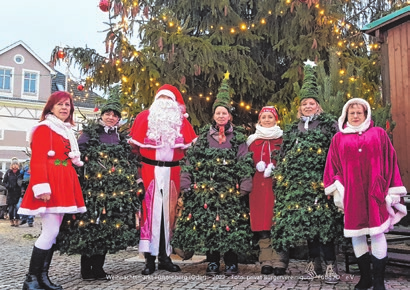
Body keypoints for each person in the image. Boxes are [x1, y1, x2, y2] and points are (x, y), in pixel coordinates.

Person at [173, 73, 254, 276]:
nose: (221, 116)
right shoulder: (203, 138)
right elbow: (190, 161)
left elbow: (244, 160)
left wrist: (245, 185)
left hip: (230, 191)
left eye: (224, 113)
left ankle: (232, 262)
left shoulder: (238, 138)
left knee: (230, 226)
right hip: (207, 191)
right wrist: (186, 183)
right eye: (218, 113)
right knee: (211, 226)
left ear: (229, 117)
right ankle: (212, 262)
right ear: (213, 115)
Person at [324, 98, 407, 290]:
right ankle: (365, 278)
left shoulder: (379, 134)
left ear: (366, 114)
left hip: (375, 191)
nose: (355, 116)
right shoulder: (338, 138)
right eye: (351, 113)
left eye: (358, 113)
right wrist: (337, 187)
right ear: (346, 115)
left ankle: (378, 281)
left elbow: (390, 160)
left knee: (377, 233)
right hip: (352, 194)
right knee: (357, 234)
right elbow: (332, 166)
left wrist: (392, 189)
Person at [271, 61, 343, 284]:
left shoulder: (328, 124)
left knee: (325, 224)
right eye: (304, 104)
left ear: (317, 105)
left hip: (323, 183)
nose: (308, 107)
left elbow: (337, 150)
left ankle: (331, 264)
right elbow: (284, 153)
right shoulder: (294, 128)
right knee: (309, 225)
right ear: (300, 107)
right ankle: (314, 264)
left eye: (311, 103)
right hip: (299, 186)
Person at [56, 92, 141, 281]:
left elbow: (128, 161)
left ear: (118, 118)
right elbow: (78, 155)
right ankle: (87, 269)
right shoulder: (91, 134)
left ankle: (99, 268)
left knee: (107, 229)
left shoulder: (120, 138)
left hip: (114, 193)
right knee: (91, 228)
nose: (111, 117)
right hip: (92, 191)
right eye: (108, 114)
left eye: (115, 115)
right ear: (102, 115)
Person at [18, 91, 86, 290]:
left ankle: (41, 278)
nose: (65, 108)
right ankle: (31, 279)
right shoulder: (43, 129)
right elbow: (38, 159)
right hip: (50, 183)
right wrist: (41, 187)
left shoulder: (65, 130)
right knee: (50, 232)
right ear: (51, 107)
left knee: (53, 233)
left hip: (63, 181)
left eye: (67, 105)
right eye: (60, 104)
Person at [128, 84, 197, 275]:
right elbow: (134, 152)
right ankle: (149, 259)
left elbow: (190, 152)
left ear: (175, 103)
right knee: (150, 214)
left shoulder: (181, 123)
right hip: (149, 170)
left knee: (169, 214)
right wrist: (137, 178)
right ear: (156, 101)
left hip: (173, 172)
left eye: (169, 99)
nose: (165, 103)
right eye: (162, 99)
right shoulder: (144, 118)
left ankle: (165, 257)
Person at [246, 106, 286, 275]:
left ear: (275, 119)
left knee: (276, 221)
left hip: (276, 187)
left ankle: (279, 259)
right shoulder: (252, 141)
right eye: (264, 117)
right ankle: (265, 259)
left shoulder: (282, 139)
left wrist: (277, 170)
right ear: (259, 120)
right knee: (262, 223)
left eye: (270, 117)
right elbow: (245, 163)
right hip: (258, 188)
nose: (267, 120)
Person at [3, 157, 23, 227]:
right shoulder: (8, 172)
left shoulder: (20, 172)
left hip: (18, 192)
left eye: (16, 164)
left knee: (17, 207)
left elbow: (22, 181)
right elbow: (4, 182)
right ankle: (11, 220)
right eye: (13, 164)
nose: (15, 166)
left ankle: (17, 220)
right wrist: (8, 186)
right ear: (11, 165)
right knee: (11, 208)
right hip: (11, 193)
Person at [19, 159, 35, 227]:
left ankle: (26, 219)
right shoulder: (31, 165)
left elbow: (21, 173)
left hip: (28, 184)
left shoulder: (25, 166)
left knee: (27, 203)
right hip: (29, 184)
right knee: (30, 203)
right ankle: (28, 219)